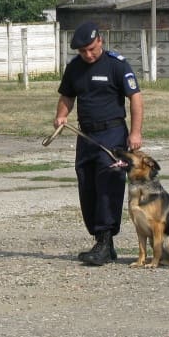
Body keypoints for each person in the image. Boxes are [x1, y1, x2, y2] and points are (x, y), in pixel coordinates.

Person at [54, 21, 144, 266]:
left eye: (91, 49)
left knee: (108, 186)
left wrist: (135, 133)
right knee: (87, 186)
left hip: (113, 134)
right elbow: (67, 96)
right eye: (83, 51)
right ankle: (102, 242)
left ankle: (104, 241)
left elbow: (135, 98)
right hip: (86, 136)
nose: (88, 54)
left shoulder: (117, 65)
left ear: (100, 41)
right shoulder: (74, 68)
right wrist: (61, 115)